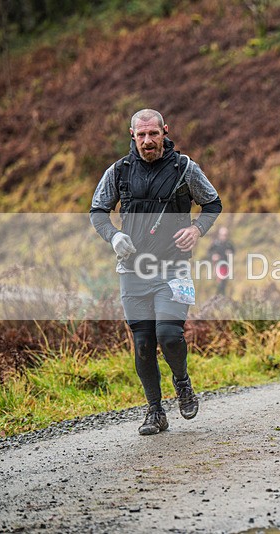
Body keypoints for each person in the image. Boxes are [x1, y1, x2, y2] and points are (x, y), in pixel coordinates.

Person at [90, 109, 222, 435]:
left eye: (153, 134)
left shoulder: (185, 169)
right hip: (132, 271)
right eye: (141, 135)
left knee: (168, 334)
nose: (148, 141)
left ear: (165, 131)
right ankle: (154, 411)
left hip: (174, 268)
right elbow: (98, 212)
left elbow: (213, 203)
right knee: (144, 344)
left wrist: (197, 229)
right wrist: (114, 235)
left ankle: (182, 381)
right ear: (132, 136)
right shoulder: (118, 171)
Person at [208, 226, 235, 296]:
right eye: (222, 235)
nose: (224, 237)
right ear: (219, 235)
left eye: (225, 235)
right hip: (216, 266)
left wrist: (230, 254)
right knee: (218, 284)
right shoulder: (215, 244)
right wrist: (213, 256)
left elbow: (233, 252)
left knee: (223, 284)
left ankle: (222, 298)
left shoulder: (229, 244)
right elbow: (209, 252)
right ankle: (216, 297)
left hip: (226, 266)